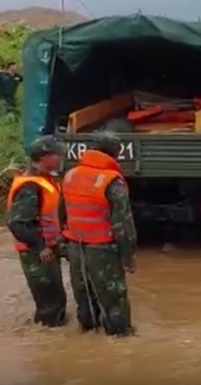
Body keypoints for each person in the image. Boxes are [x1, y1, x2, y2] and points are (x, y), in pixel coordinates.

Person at [61, 132, 137, 336]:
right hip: (102, 249)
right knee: (114, 297)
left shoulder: (70, 174)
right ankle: (120, 338)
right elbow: (123, 224)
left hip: (75, 246)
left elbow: (61, 213)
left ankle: (87, 333)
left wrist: (64, 244)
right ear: (115, 153)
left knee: (83, 295)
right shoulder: (112, 181)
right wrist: (128, 257)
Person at [5, 135, 68, 327]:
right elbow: (17, 223)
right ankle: (50, 346)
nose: (60, 158)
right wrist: (40, 247)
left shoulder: (44, 180)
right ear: (43, 157)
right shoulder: (30, 186)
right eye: (56, 154)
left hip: (47, 249)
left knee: (55, 301)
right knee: (50, 305)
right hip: (38, 253)